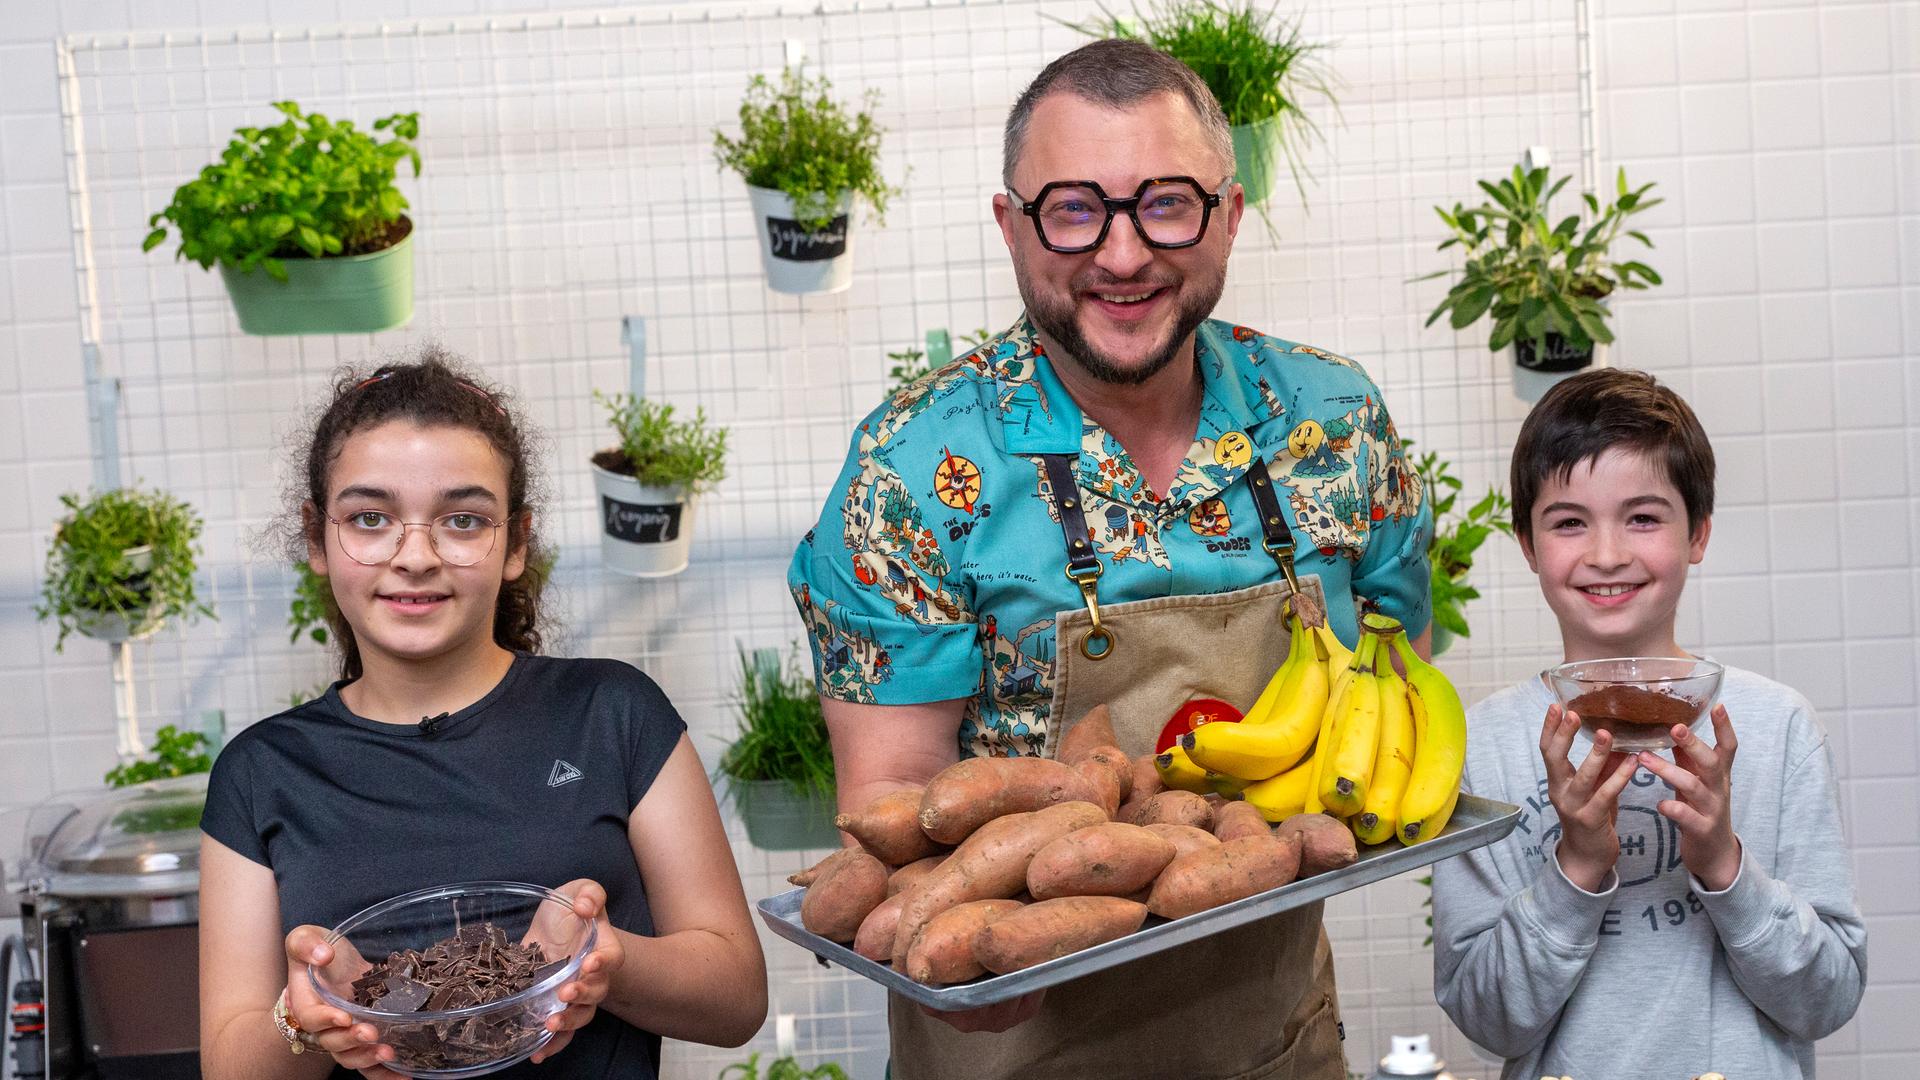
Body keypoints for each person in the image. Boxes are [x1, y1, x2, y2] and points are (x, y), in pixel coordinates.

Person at [789, 39, 1431, 1080]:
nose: (1123, 257)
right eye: (1074, 209)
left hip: (1271, 1043)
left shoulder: (1333, 422)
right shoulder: (913, 465)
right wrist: (972, 964)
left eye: (1166, 204)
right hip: (1006, 1049)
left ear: (1227, 213)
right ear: (1011, 225)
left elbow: (1391, 675)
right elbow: (902, 794)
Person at [198, 350, 767, 1080]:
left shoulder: (614, 716)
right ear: (317, 539)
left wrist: (608, 965)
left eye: (462, 520)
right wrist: (309, 1020)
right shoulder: (261, 774)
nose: (416, 556)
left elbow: (737, 997)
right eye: (370, 518)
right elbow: (230, 1063)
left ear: (515, 543)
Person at [1431, 368, 1867, 1079]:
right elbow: (1487, 1024)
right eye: (1569, 521)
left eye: (1643, 517)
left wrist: (1724, 863)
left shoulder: (1776, 725)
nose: (1606, 554)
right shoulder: (1485, 745)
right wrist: (1575, 866)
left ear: (1697, 534)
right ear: (1527, 544)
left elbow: (1828, 999)